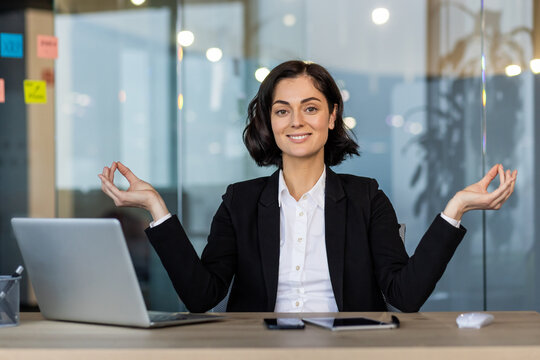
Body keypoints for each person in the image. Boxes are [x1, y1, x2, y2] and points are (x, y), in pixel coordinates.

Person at [98, 60, 517, 313]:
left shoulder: (366, 197)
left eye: (310, 108)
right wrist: (156, 207)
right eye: (282, 111)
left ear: (332, 116)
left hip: (349, 349)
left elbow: (405, 296)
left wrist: (455, 209)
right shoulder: (240, 201)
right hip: (259, 349)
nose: (296, 121)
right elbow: (201, 296)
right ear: (269, 122)